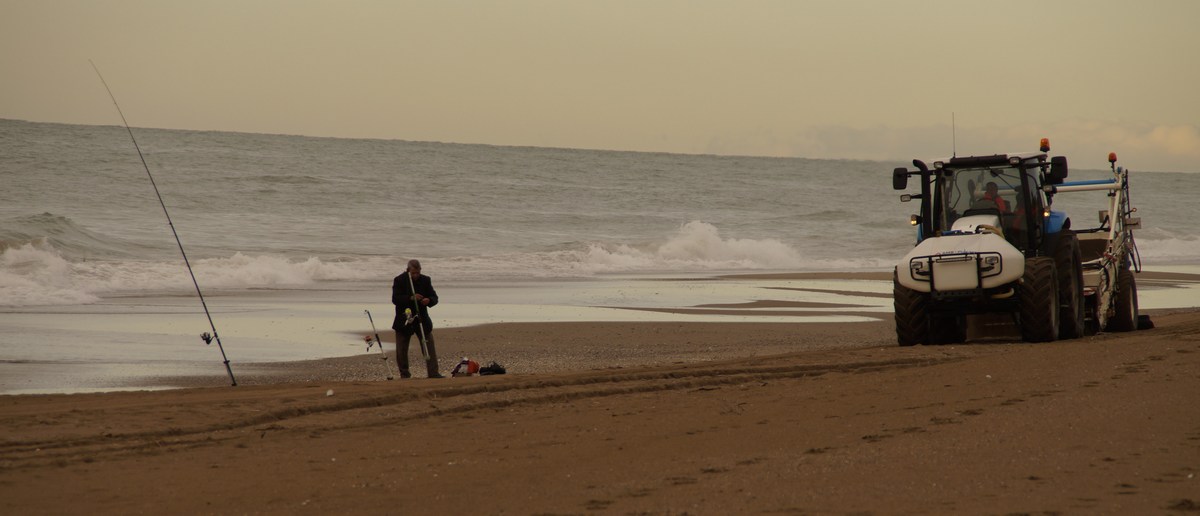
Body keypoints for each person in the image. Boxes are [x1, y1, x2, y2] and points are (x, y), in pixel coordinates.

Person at [391, 259, 442, 378]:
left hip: (422, 318)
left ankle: (433, 372)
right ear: (408, 270)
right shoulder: (399, 280)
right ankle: (404, 373)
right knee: (402, 348)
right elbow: (396, 299)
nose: (416, 275)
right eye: (413, 273)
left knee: (428, 344)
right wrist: (410, 298)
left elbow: (434, 297)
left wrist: (429, 300)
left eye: (418, 272)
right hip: (405, 318)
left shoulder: (425, 280)